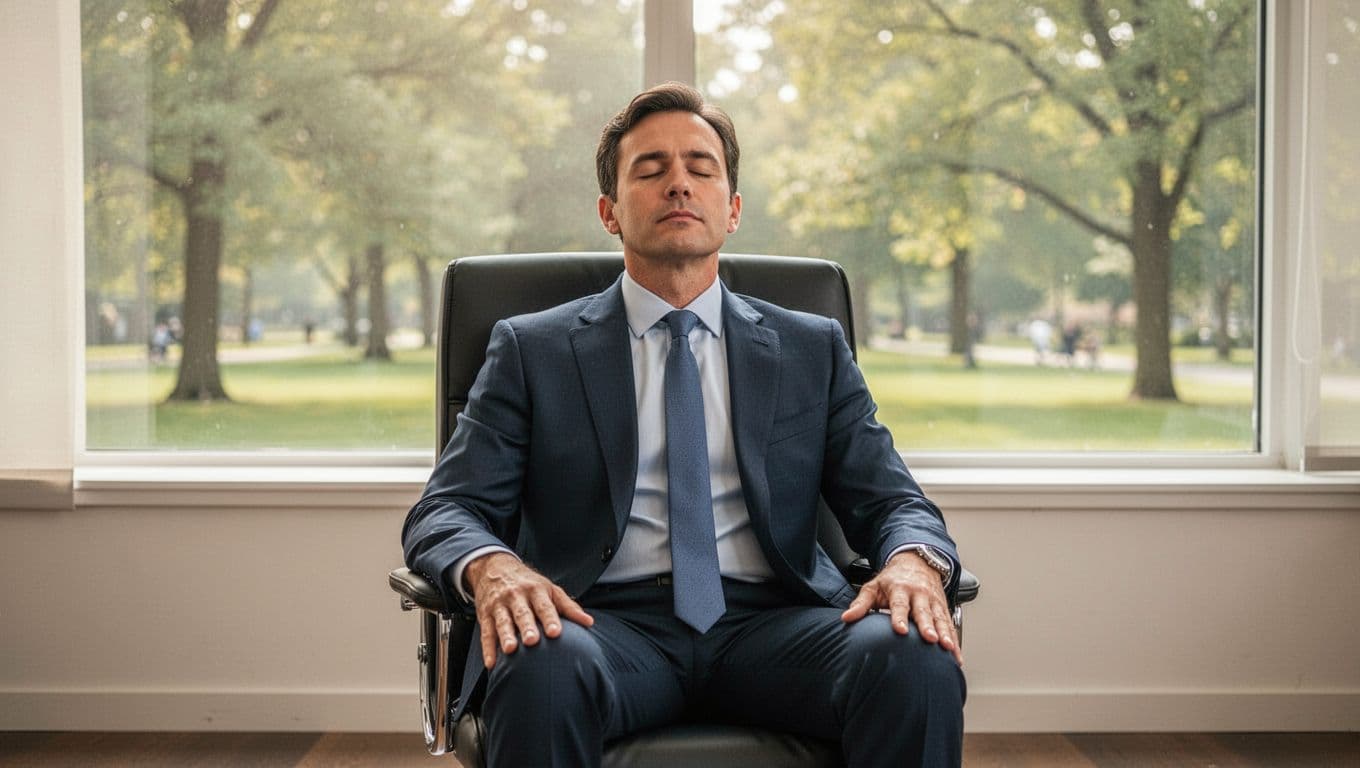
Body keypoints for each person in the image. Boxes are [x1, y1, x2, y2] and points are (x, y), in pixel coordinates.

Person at [402, 82, 965, 768]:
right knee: (541, 659)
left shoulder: (809, 349)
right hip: (602, 626)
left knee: (913, 656)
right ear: (609, 212)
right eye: (651, 170)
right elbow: (448, 507)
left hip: (778, 627)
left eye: (701, 169)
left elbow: (893, 501)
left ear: (731, 210)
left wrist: (913, 560)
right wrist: (492, 568)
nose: (678, 186)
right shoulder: (532, 349)